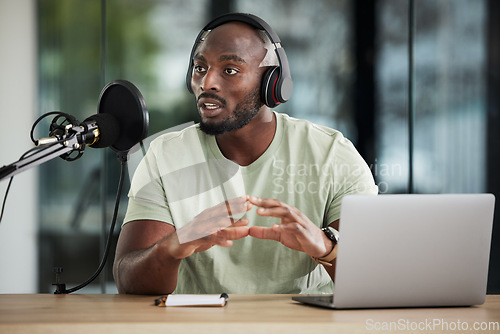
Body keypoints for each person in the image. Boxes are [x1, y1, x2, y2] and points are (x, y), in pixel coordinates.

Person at [113, 13, 378, 295]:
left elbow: (376, 279)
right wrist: (170, 249)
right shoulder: (164, 155)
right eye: (200, 67)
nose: (207, 83)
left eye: (229, 70)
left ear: (272, 83)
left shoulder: (331, 154)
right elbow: (129, 281)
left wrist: (326, 248)